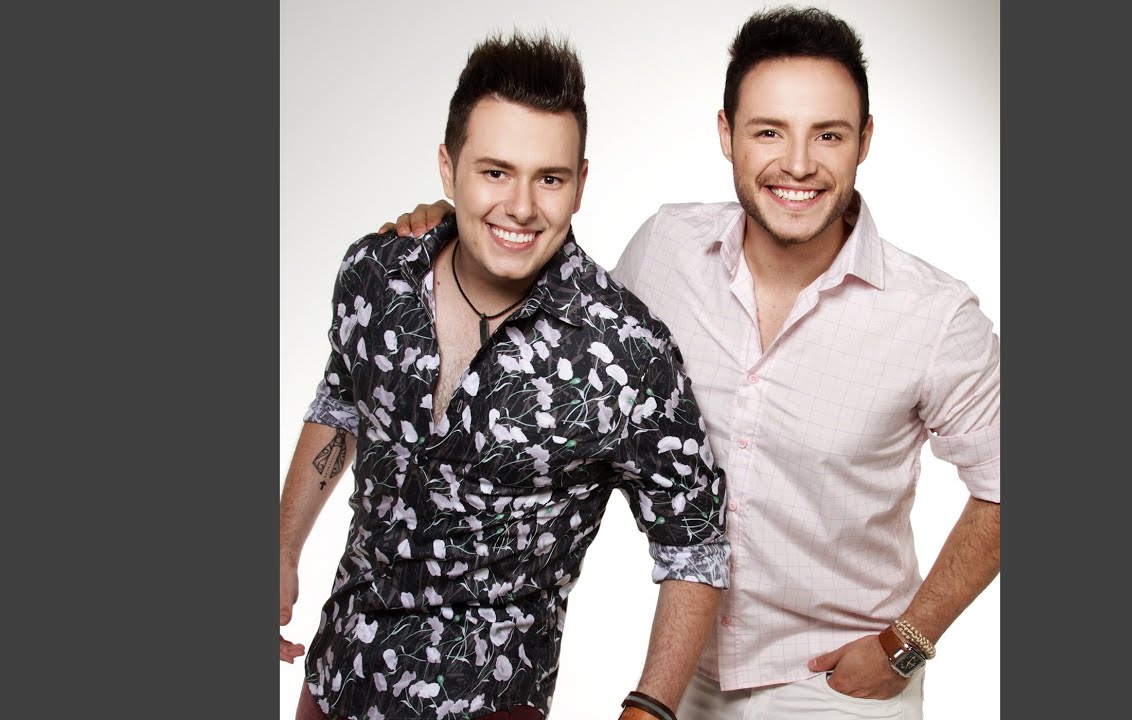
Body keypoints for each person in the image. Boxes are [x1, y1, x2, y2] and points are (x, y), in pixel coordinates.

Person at [379, 6, 1000, 719]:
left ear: (864, 140)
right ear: (726, 134)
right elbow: (560, 327)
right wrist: (458, 224)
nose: (799, 163)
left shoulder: (933, 315)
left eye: (828, 134)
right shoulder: (666, 249)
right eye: (769, 131)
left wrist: (908, 641)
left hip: (835, 682)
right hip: (684, 671)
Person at [279, 32, 731, 720]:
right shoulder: (376, 275)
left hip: (488, 701)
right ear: (448, 167)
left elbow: (694, 543)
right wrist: (283, 548)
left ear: (580, 183)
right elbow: (341, 402)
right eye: (495, 172)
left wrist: (650, 708)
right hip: (338, 675)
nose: (521, 207)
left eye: (549, 178)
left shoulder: (626, 353)